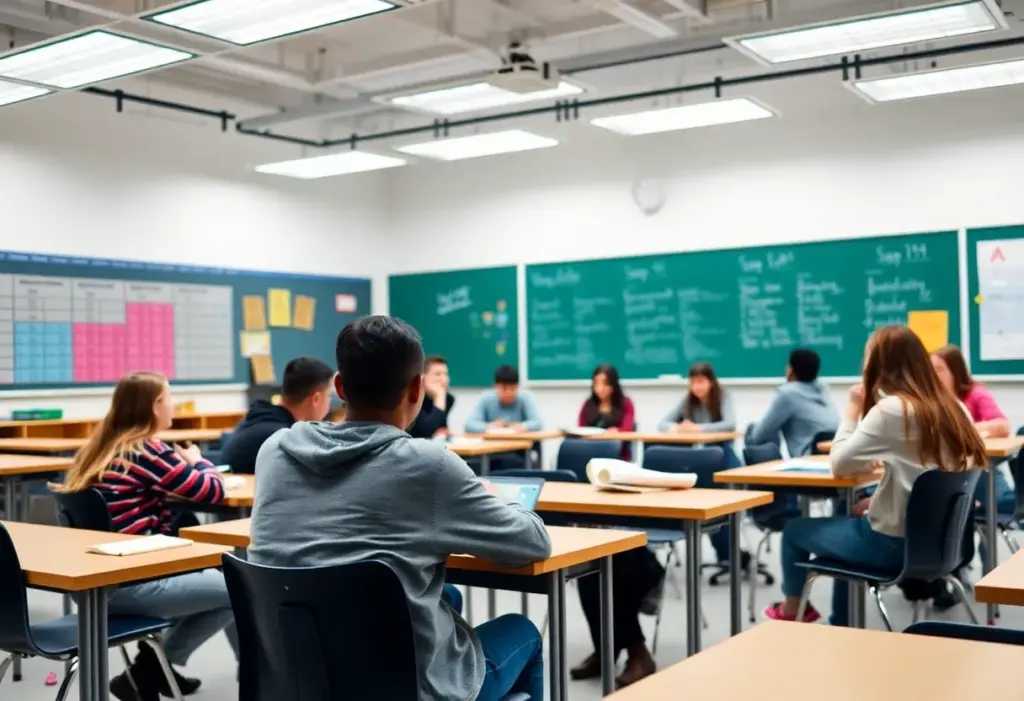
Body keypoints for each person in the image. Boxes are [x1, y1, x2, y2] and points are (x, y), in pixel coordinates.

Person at [249, 316, 552, 701]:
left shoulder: (275, 451)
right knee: (524, 632)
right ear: (417, 388)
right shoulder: (430, 465)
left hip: (296, 681)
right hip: (405, 690)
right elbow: (533, 542)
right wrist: (497, 498)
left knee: (447, 597)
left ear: (339, 387)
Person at [764, 325, 988, 626]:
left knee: (793, 531)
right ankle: (842, 621)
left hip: (893, 547)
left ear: (879, 365)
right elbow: (926, 477)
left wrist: (851, 412)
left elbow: (840, 464)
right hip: (946, 544)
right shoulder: (955, 408)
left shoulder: (893, 410)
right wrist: (879, 500)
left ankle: (793, 609)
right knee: (847, 514)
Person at [56, 372, 238, 701]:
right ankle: (151, 668)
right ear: (154, 406)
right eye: (169, 397)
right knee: (240, 587)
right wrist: (199, 462)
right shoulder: (147, 451)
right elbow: (213, 490)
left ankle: (151, 669)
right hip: (133, 583)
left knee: (215, 579)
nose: (174, 405)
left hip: (95, 586)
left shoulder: (102, 447)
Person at [931, 344, 1012, 609]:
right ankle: (950, 576)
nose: (933, 375)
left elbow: (1001, 425)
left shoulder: (975, 393)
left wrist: (963, 429)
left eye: (939, 369)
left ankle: (986, 579)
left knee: (972, 506)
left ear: (955, 372)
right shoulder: (930, 401)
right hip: (949, 477)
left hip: (983, 477)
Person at [219, 357, 336, 474]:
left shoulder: (259, 419)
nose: (329, 402)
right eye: (329, 395)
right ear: (316, 399)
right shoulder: (286, 439)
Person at [748, 348, 839, 456]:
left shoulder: (787, 394)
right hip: (834, 456)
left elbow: (759, 436)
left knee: (751, 431)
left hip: (807, 458)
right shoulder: (823, 389)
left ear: (791, 370)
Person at [577, 364, 635, 459]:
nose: (600, 388)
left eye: (605, 384)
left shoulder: (626, 403)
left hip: (618, 454)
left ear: (613, 384)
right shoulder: (588, 404)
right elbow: (580, 428)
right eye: (596, 384)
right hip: (590, 451)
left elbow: (627, 429)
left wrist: (618, 431)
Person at [465, 365, 543, 434]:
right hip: (493, 444)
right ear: (495, 386)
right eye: (504, 388)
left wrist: (523, 426)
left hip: (521, 444)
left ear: (518, 386)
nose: (509, 393)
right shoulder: (486, 398)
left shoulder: (525, 398)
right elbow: (469, 424)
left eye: (512, 388)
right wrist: (488, 426)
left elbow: (537, 423)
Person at [408, 355, 455, 439]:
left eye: (446, 374)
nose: (444, 379)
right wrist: (439, 398)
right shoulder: (413, 399)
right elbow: (424, 432)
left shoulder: (448, 399)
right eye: (437, 374)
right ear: (422, 377)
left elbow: (441, 429)